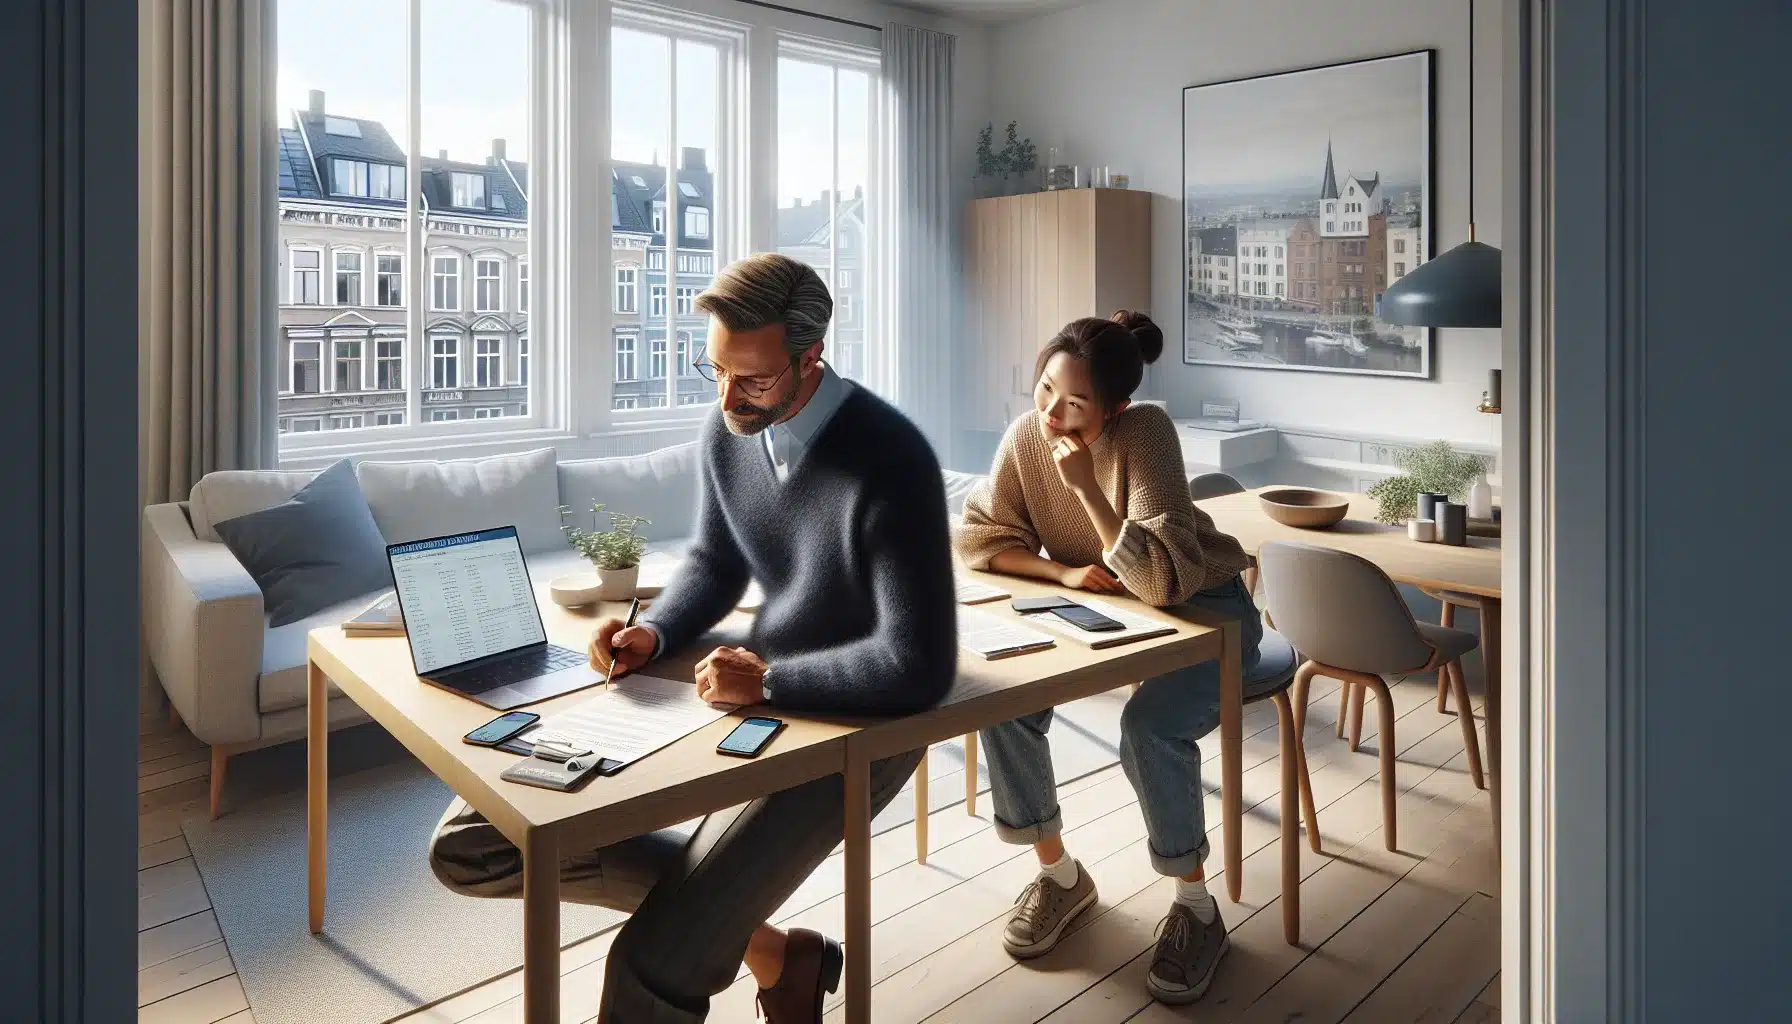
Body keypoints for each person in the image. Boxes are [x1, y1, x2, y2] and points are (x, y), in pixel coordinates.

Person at [428, 253, 959, 1023]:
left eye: (752, 379)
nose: (727, 397)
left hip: (855, 724)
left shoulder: (891, 460)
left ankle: (735, 936)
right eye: (714, 371)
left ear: (811, 358)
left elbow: (918, 665)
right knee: (473, 843)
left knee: (652, 963)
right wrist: (656, 630)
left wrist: (772, 685)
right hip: (743, 691)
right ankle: (777, 952)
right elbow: (715, 560)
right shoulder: (732, 427)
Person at [956, 311, 1288, 1006]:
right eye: (1045, 388)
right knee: (1001, 694)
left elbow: (1162, 583)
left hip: (1209, 612)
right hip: (1104, 607)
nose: (1051, 411)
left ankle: (1196, 909)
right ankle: (1060, 876)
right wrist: (1065, 576)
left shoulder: (1147, 434)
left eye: (1074, 402)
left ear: (1116, 407)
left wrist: (1085, 492)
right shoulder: (1027, 436)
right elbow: (982, 540)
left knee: (1149, 729)